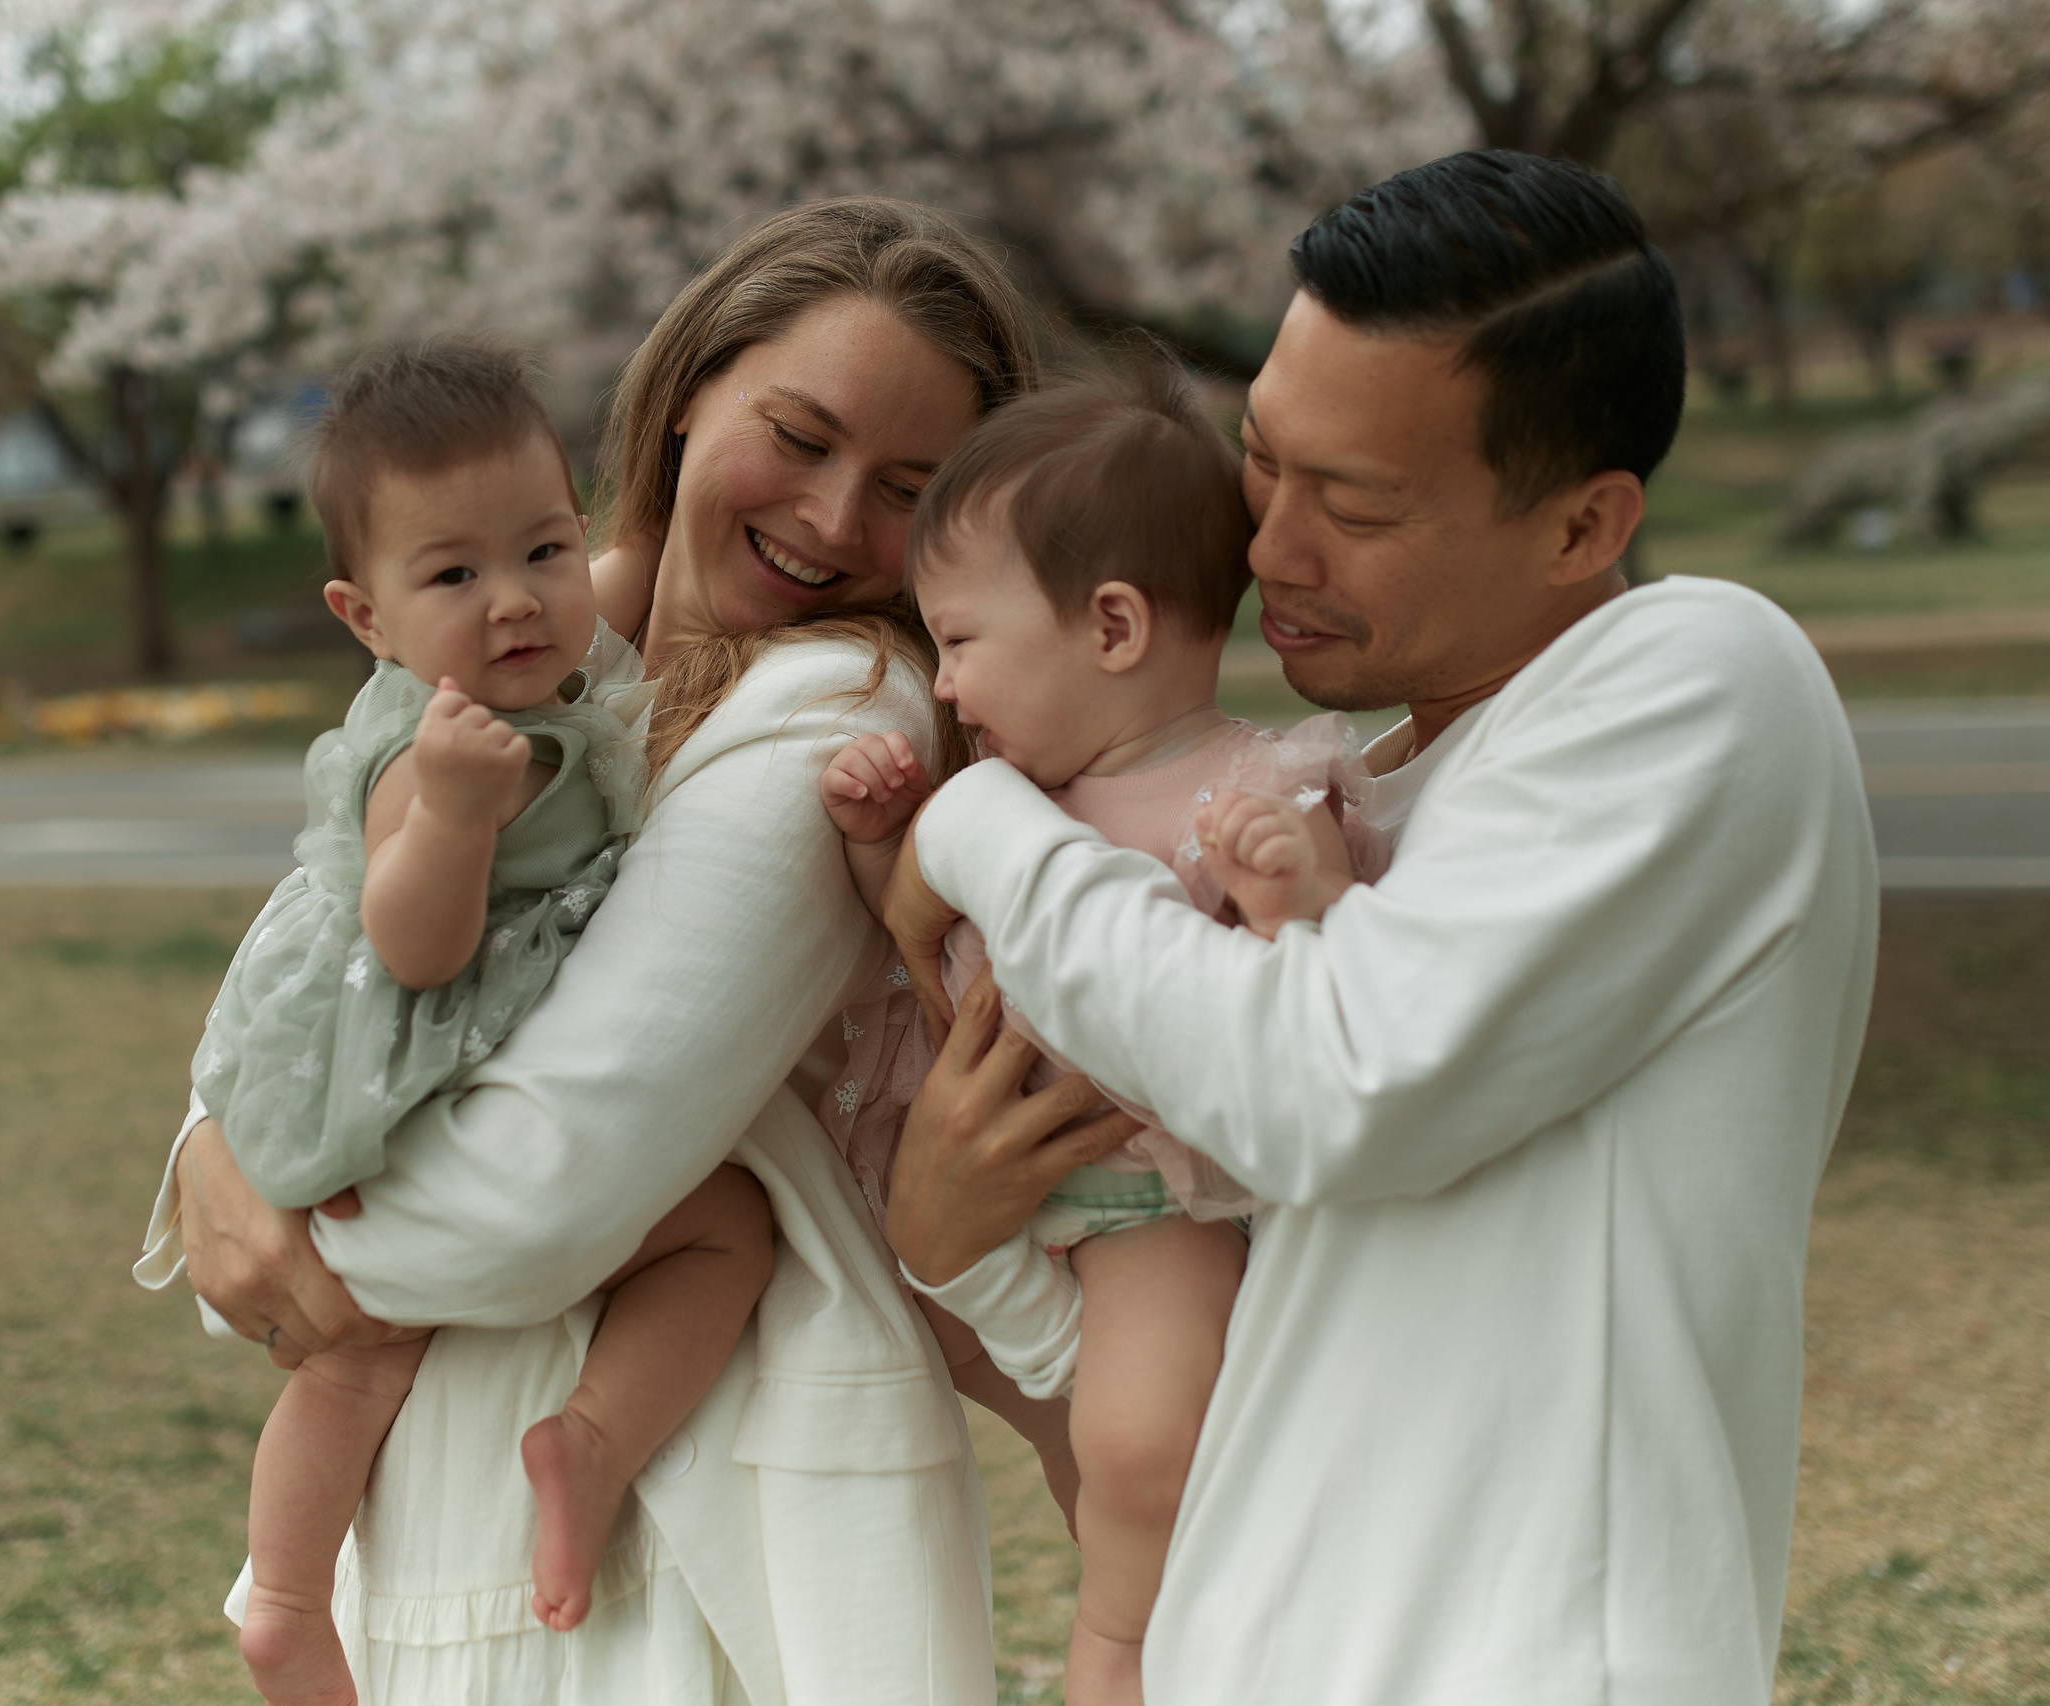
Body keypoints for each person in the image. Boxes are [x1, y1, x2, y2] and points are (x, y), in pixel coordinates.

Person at [882, 151, 1879, 1705]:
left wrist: (982, 820)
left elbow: (1335, 1086)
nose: (1270, 545)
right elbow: (1247, 1292)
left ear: (1580, 525)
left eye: (1352, 504)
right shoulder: (1333, 809)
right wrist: (964, 1256)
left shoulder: (1694, 678)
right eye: (1264, 462)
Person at [141, 198, 1073, 1704]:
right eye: (802, 433)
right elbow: (322, 928)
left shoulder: (846, 705)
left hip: (688, 1491)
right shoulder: (539, 620)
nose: (835, 521)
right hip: (455, 1442)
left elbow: (540, 1190)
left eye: (906, 486)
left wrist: (277, 1224)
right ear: (693, 386)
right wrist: (204, 1142)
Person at [185, 339, 775, 1705]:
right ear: (365, 616)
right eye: (453, 575)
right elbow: (414, 940)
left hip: (468, 1060)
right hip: (408, 1077)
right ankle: (282, 1596)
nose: (513, 602)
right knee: (362, 1354)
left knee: (721, 1226)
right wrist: (451, 816)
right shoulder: (427, 748)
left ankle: (582, 1442)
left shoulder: (556, 679)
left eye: (544, 552)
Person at [814, 357, 1390, 1703]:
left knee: (1136, 1439)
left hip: (1155, 1206)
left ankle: (1119, 1651)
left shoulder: (1252, 785)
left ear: (1114, 627)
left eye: (961, 641)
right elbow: (919, 953)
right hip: (992, 1191)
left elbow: (1328, 1009)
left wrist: (1292, 893)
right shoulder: (1015, 797)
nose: (946, 688)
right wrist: (871, 836)